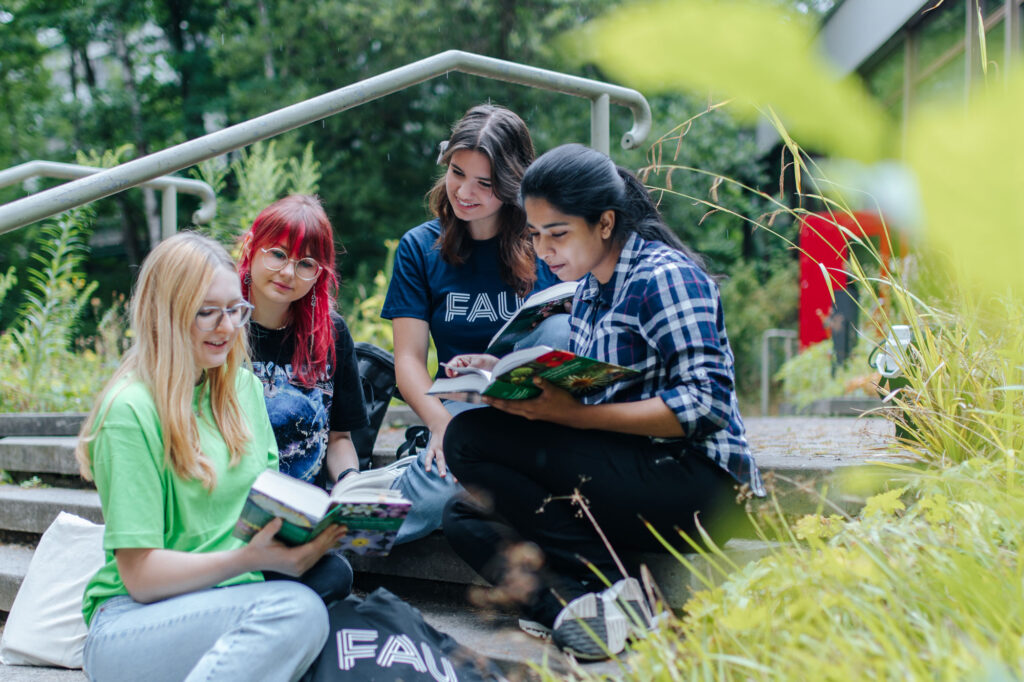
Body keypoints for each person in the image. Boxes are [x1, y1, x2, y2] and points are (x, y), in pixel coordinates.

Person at [441, 144, 765, 660]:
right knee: (462, 511)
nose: (544, 250)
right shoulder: (590, 288)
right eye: (535, 234)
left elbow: (707, 404)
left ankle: (609, 591)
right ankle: (585, 608)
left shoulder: (664, 276)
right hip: (624, 469)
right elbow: (597, 383)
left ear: (606, 222)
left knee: (469, 438)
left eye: (558, 233)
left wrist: (575, 416)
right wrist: (500, 378)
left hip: (696, 482)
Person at [75, 232, 344, 681]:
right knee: (298, 612)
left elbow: (264, 506)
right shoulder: (130, 410)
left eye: (235, 310)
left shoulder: (244, 390)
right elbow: (139, 577)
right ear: (166, 316)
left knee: (330, 586)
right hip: (134, 624)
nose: (227, 327)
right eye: (207, 313)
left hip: (228, 602)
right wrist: (249, 560)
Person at [381, 104, 566, 543]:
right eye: (457, 172)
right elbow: (408, 361)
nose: (464, 191)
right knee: (425, 503)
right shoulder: (419, 248)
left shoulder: (543, 243)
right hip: (460, 409)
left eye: (484, 182)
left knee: (559, 331)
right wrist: (442, 425)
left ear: (512, 184)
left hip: (534, 412)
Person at [238, 194, 367, 599]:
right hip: (230, 515)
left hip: (298, 523)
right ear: (251, 249)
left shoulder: (331, 334)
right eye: (277, 254)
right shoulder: (220, 323)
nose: (288, 272)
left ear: (319, 273)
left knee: (338, 575)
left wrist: (349, 483)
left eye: (306, 263)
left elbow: (340, 439)